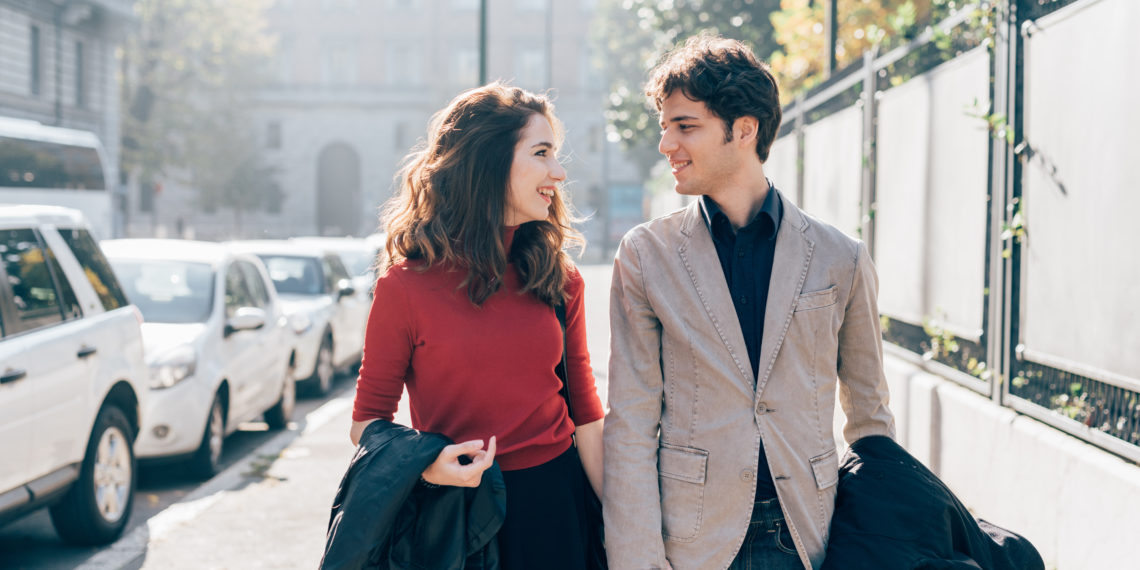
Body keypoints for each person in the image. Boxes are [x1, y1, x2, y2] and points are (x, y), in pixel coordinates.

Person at [602, 34, 896, 570]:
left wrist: (872, 541)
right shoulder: (646, 256)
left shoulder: (841, 258)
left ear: (744, 129)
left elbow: (870, 421)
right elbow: (630, 423)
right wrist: (638, 560)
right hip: (694, 540)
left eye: (685, 126)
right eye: (664, 127)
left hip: (811, 536)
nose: (667, 144)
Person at [350, 82, 605, 569]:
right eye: (542, 152)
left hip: (556, 508)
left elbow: (586, 416)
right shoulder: (405, 286)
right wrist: (429, 466)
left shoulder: (559, 279)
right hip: (456, 519)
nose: (559, 171)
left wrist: (619, 524)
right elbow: (367, 421)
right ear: (488, 161)